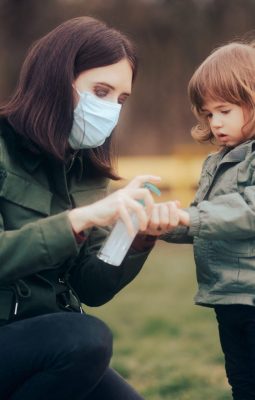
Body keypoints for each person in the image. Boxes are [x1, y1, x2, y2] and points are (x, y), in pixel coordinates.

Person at [0, 16, 163, 400]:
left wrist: (134, 238)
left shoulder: (87, 172)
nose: (111, 110)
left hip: (53, 340)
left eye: (121, 100)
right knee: (87, 338)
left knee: (87, 345)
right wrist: (81, 219)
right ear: (56, 81)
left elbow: (91, 289)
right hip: (23, 339)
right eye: (101, 92)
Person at [148, 41, 255, 400]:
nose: (215, 122)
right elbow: (201, 219)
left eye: (224, 110)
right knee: (242, 382)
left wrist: (189, 217)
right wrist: (163, 222)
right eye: (208, 114)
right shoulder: (215, 162)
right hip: (227, 296)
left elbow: (248, 210)